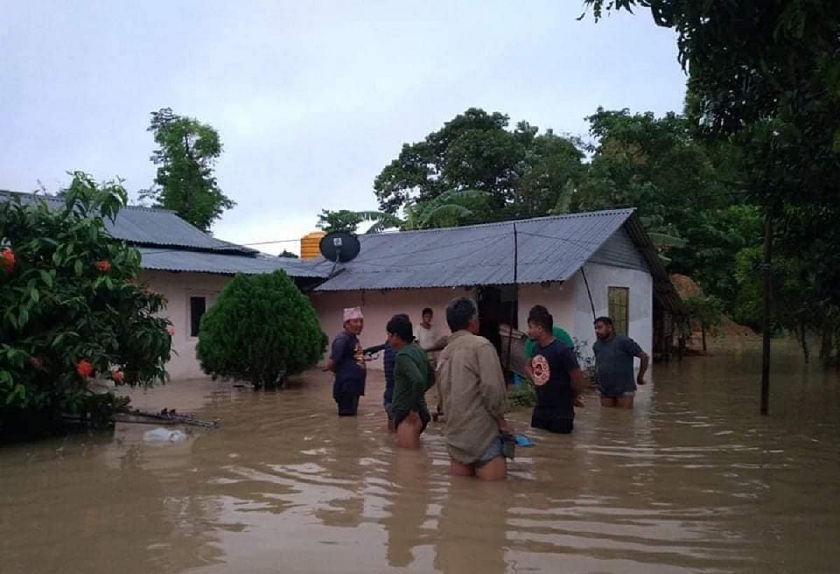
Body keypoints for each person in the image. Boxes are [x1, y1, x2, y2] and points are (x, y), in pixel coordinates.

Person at [436, 297, 512, 480]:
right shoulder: (482, 346)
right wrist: (503, 423)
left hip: (455, 440)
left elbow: (442, 400)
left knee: (460, 500)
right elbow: (493, 391)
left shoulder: (444, 354)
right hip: (483, 438)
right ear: (473, 320)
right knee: (494, 501)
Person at [526, 306, 586, 434]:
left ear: (540, 328)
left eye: (531, 327)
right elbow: (529, 367)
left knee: (561, 448)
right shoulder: (536, 348)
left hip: (561, 412)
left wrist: (573, 396)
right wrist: (536, 380)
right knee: (537, 446)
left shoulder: (562, 350)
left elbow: (578, 378)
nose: (528, 331)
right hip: (541, 408)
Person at [387, 314, 435, 448]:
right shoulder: (418, 350)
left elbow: (418, 381)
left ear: (396, 336)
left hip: (407, 414)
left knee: (407, 463)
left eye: (389, 335)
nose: (388, 339)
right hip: (421, 411)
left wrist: (412, 409)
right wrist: (418, 397)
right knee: (414, 458)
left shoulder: (402, 356)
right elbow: (432, 377)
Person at [592, 316, 650, 408]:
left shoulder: (624, 342)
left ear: (610, 328)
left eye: (599, 327)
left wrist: (640, 377)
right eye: (595, 328)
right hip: (604, 389)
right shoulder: (596, 345)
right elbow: (599, 363)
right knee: (607, 417)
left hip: (624, 389)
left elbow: (644, 357)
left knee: (625, 418)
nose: (597, 331)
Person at [326, 307, 367, 416]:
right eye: (355, 321)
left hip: (353, 388)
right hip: (346, 388)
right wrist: (344, 374)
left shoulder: (353, 338)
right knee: (347, 421)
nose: (359, 324)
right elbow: (331, 364)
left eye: (361, 321)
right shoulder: (342, 340)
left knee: (351, 421)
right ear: (346, 324)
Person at [382, 313, 410, 433]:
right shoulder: (400, 349)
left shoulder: (388, 344)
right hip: (399, 399)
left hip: (389, 396)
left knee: (392, 434)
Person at [415, 307, 445, 420]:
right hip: (422, 358)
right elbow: (416, 342)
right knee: (423, 382)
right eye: (426, 316)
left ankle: (436, 405)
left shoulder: (433, 330)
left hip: (432, 359)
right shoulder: (417, 328)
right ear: (423, 317)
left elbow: (437, 344)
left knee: (434, 382)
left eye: (430, 317)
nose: (428, 319)